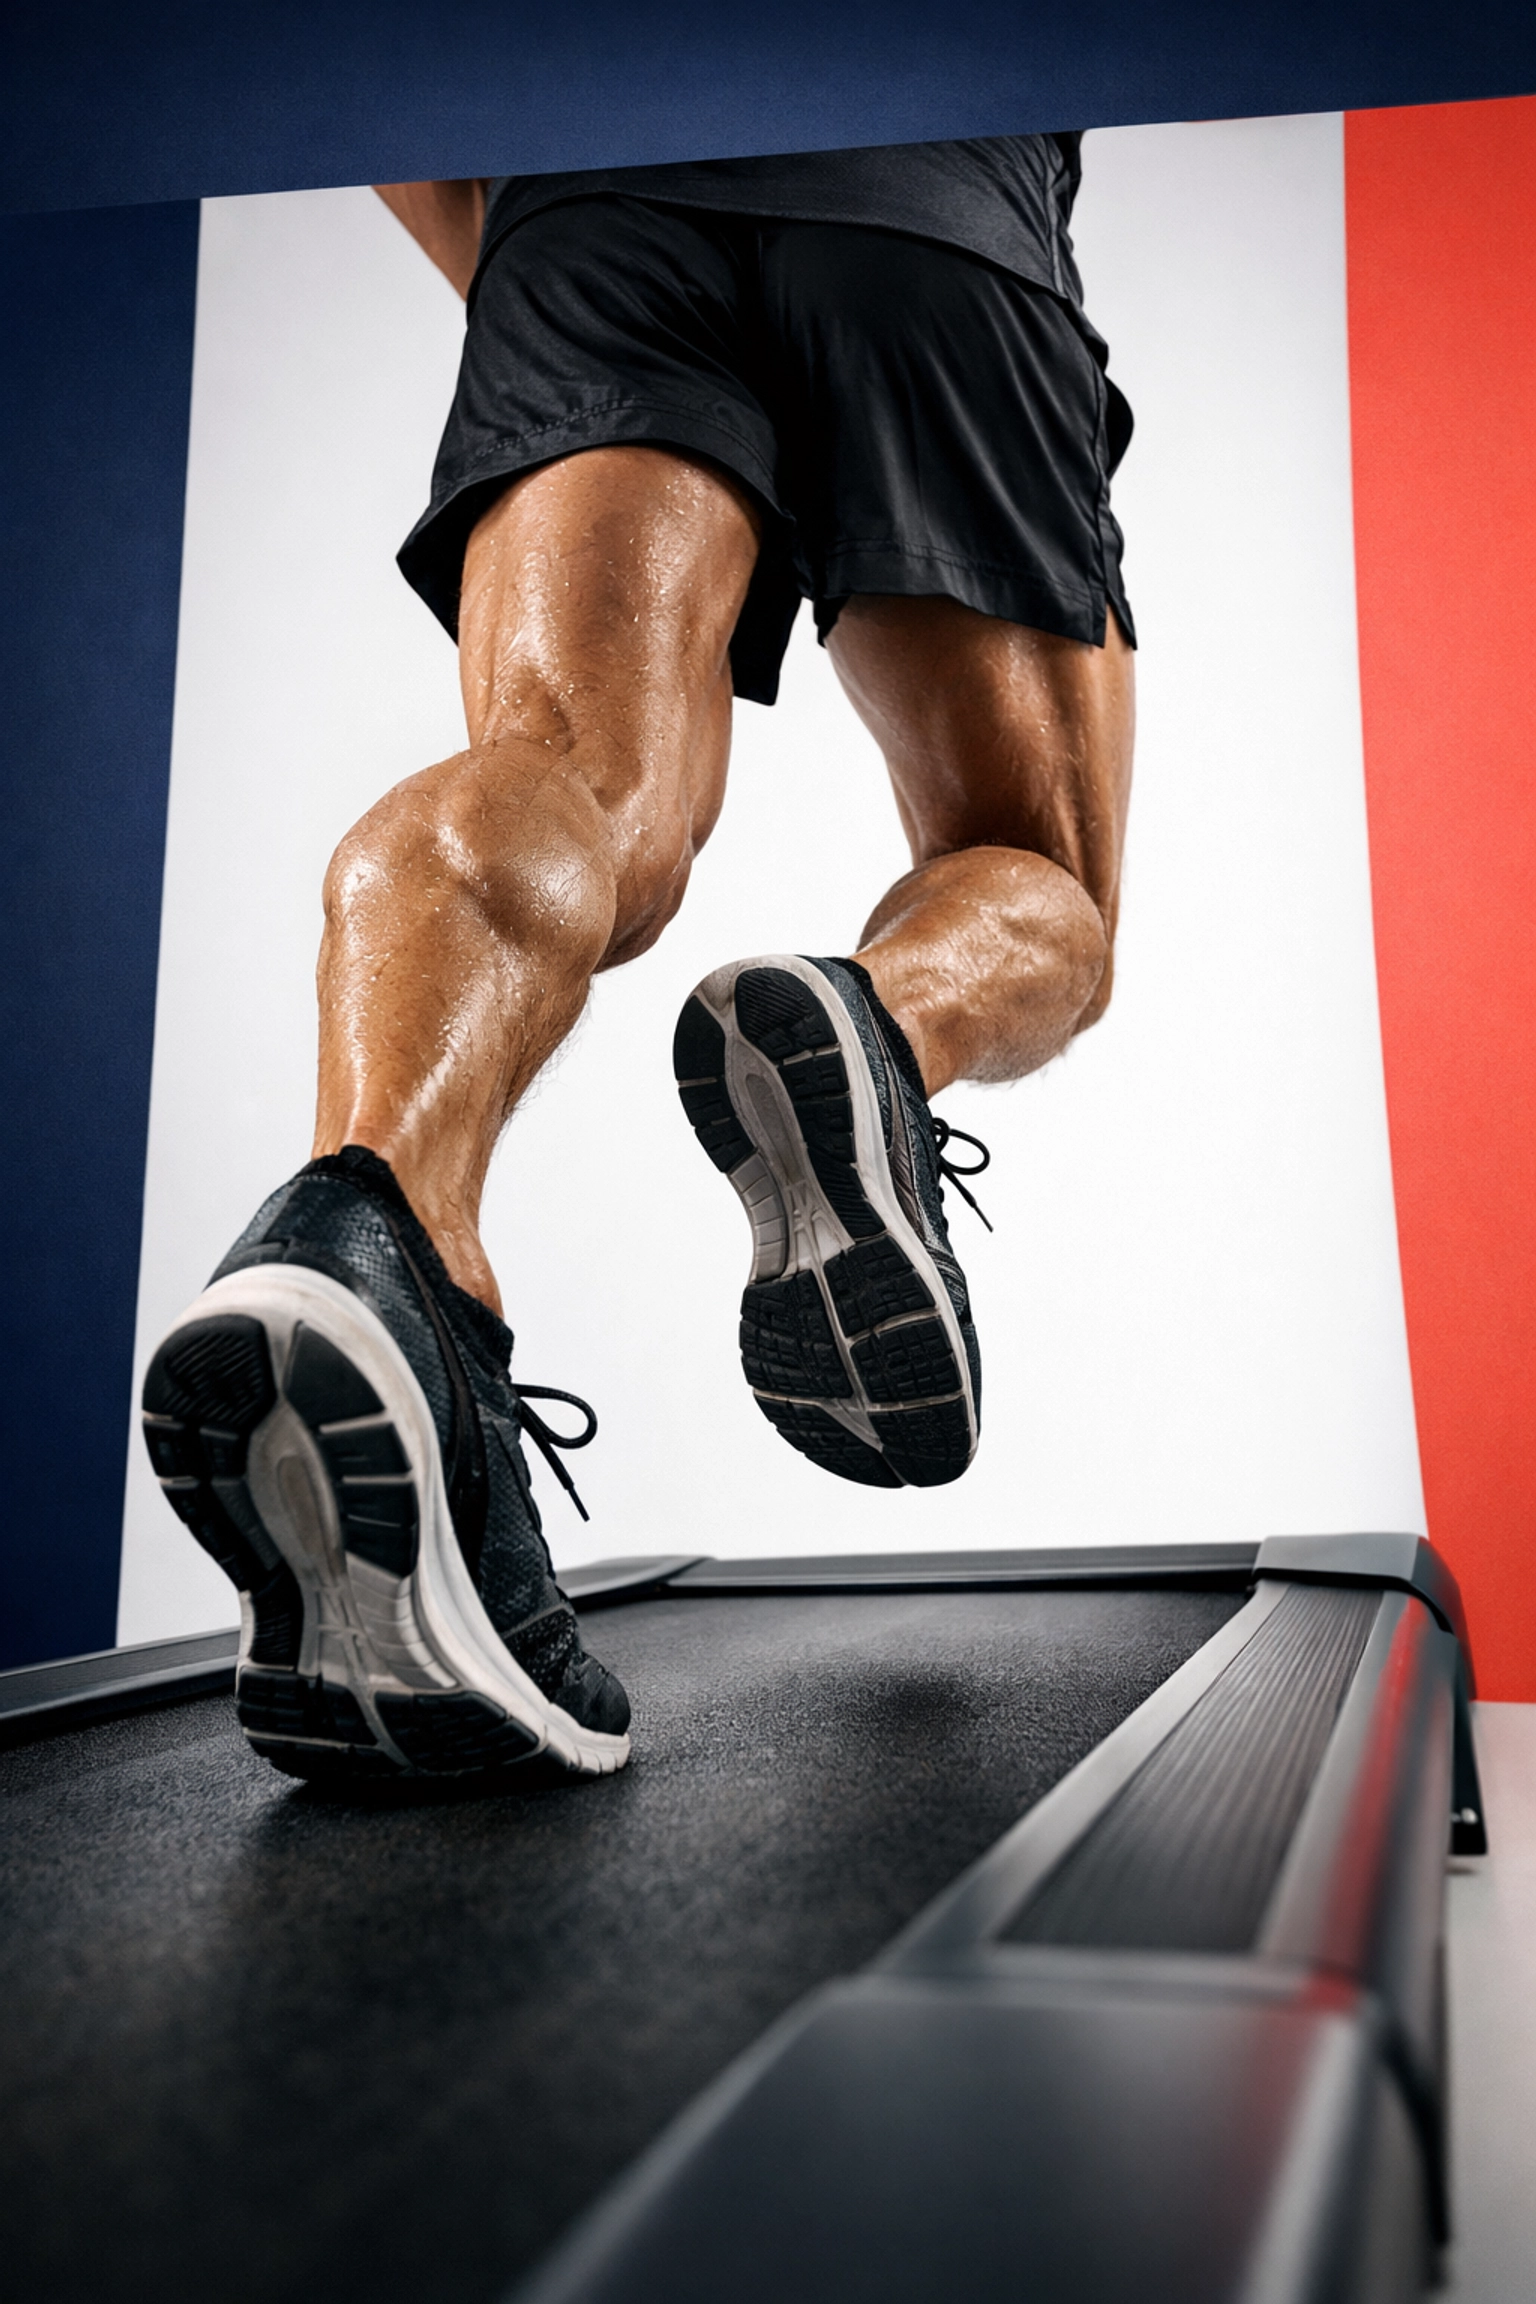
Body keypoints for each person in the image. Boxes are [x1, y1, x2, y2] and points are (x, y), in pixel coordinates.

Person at [141, 135, 1136, 1786]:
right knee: (1033, 866)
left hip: (587, 197)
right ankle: (873, 1033)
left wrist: (565, 291)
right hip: (935, 196)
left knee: (588, 782)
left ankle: (373, 1233)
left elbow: (389, 87)